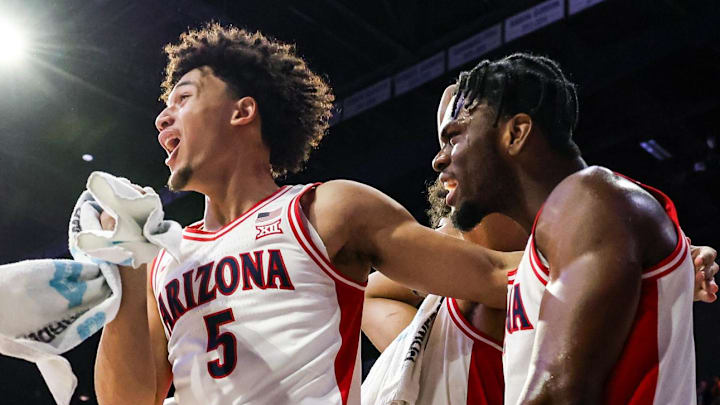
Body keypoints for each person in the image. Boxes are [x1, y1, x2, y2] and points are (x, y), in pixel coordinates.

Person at [92, 24, 519, 405]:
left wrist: (577, 216)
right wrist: (126, 267)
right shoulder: (161, 261)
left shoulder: (328, 210)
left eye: (183, 97)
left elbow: (494, 277)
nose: (163, 116)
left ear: (242, 111)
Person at [432, 52, 718, 404]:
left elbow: (559, 393)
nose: (440, 158)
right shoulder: (557, 237)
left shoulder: (591, 199)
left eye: (455, 137)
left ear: (516, 133)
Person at [361, 178, 527, 405]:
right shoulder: (432, 342)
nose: (436, 238)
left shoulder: (512, 282)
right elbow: (368, 293)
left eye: (455, 218)